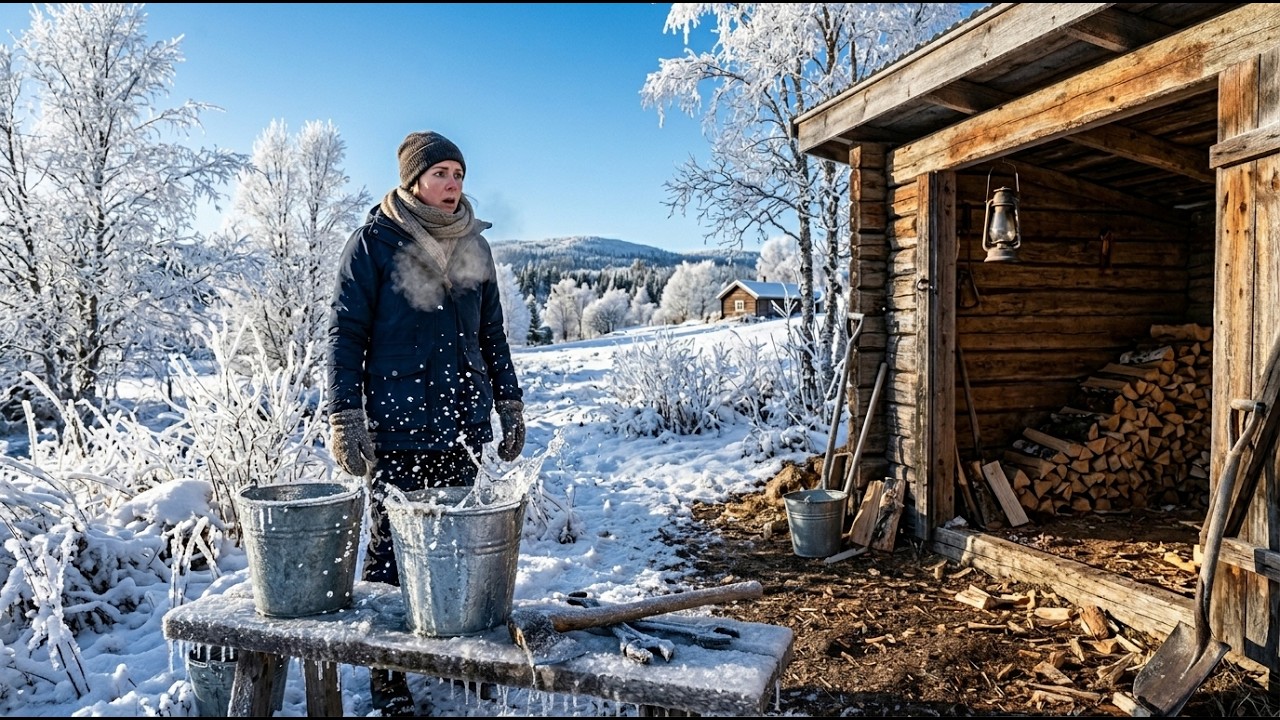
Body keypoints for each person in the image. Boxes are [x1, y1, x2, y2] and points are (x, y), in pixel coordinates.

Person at [325, 130, 525, 715]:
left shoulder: (475, 249)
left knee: (459, 548)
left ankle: (457, 654)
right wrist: (344, 415)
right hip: (397, 424)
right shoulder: (374, 243)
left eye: (459, 174)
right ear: (414, 180)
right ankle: (388, 674)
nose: (453, 184)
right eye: (441, 173)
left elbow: (492, 335)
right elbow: (345, 335)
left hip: (462, 423)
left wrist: (508, 403)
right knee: (391, 553)